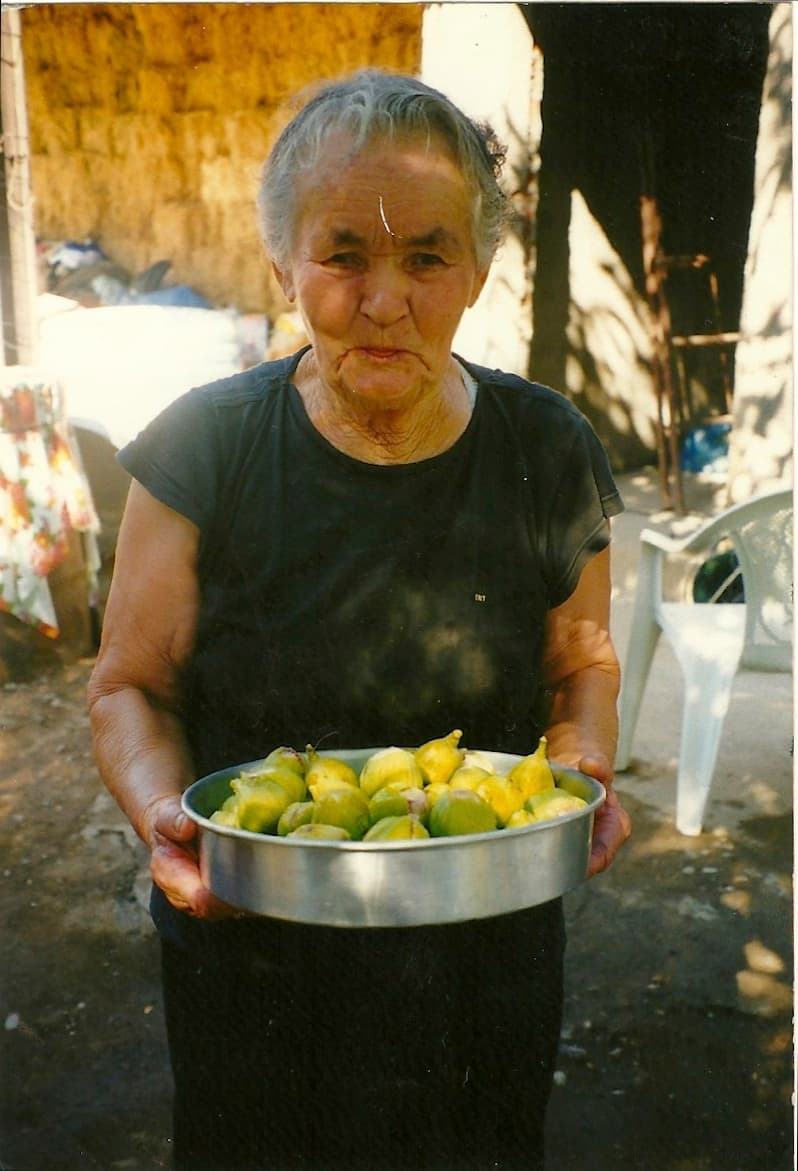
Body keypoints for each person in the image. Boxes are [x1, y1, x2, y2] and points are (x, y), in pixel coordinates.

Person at [88, 69, 631, 1171]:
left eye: (427, 256)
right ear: (284, 266)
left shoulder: (547, 448)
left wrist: (583, 769)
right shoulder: (204, 449)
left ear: (477, 272)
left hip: (484, 950)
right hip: (249, 954)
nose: (385, 300)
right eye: (344, 253)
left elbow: (582, 659)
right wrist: (165, 816)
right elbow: (128, 684)